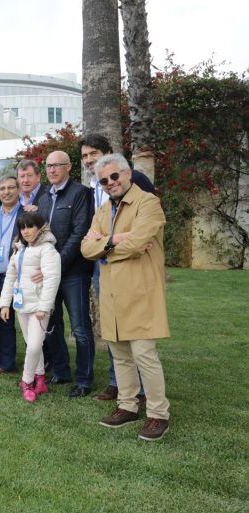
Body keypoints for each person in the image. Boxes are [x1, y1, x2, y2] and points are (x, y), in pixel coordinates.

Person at [81, 153, 171, 441]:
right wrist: (113, 240)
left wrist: (103, 245)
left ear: (128, 174)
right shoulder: (102, 211)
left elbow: (138, 243)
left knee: (144, 355)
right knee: (119, 354)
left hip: (141, 291)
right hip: (111, 292)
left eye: (114, 176)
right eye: (104, 180)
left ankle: (158, 414)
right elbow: (86, 249)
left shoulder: (148, 203)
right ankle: (127, 406)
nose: (110, 183)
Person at [78, 133, 155, 402]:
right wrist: (107, 242)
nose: (89, 160)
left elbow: (142, 233)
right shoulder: (92, 187)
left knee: (135, 328)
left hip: (132, 265)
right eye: (85, 156)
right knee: (112, 327)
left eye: (93, 154)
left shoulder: (136, 181)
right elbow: (89, 242)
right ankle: (118, 383)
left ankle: (143, 389)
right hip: (103, 264)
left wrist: (106, 242)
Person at [36, 150, 95, 397]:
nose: (52, 170)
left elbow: (80, 231)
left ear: (69, 167)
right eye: (48, 166)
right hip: (50, 274)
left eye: (57, 165)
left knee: (80, 328)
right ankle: (61, 370)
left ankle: (84, 380)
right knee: (52, 324)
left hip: (73, 272)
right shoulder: (43, 198)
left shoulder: (80, 193)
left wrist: (57, 263)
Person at [0, 212, 61, 402]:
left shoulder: (48, 250)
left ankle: (27, 381)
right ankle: (40, 379)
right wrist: (4, 304)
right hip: (21, 305)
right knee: (32, 345)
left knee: (34, 346)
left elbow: (52, 279)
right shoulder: (19, 250)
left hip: (39, 308)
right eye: (22, 227)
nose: (26, 231)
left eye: (30, 226)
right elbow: (10, 278)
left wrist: (44, 307)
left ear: (40, 227)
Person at [0, 174, 24, 375]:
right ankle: (0, 360)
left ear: (18, 190)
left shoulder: (26, 213)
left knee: (18, 319)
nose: (6, 192)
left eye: (11, 188)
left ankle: (11, 362)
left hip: (17, 277)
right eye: (2, 188)